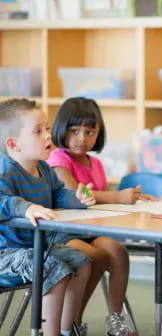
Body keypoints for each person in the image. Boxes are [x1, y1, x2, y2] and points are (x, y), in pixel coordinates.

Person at [47, 97, 142, 335]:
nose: (82, 138)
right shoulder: (58, 158)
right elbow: (74, 194)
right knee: (93, 257)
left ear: (98, 133)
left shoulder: (95, 163)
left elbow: (104, 198)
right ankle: (74, 322)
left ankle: (116, 318)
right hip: (63, 232)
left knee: (118, 251)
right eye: (75, 131)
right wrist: (119, 197)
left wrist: (132, 199)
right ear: (61, 130)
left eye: (90, 131)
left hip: (91, 230)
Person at [0, 98, 94, 336]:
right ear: (14, 144)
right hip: (6, 253)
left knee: (82, 262)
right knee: (54, 269)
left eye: (47, 129)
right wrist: (25, 207)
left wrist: (78, 199)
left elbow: (59, 194)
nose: (48, 136)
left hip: (35, 247)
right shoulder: (5, 170)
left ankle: (67, 329)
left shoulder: (43, 169)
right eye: (38, 131)